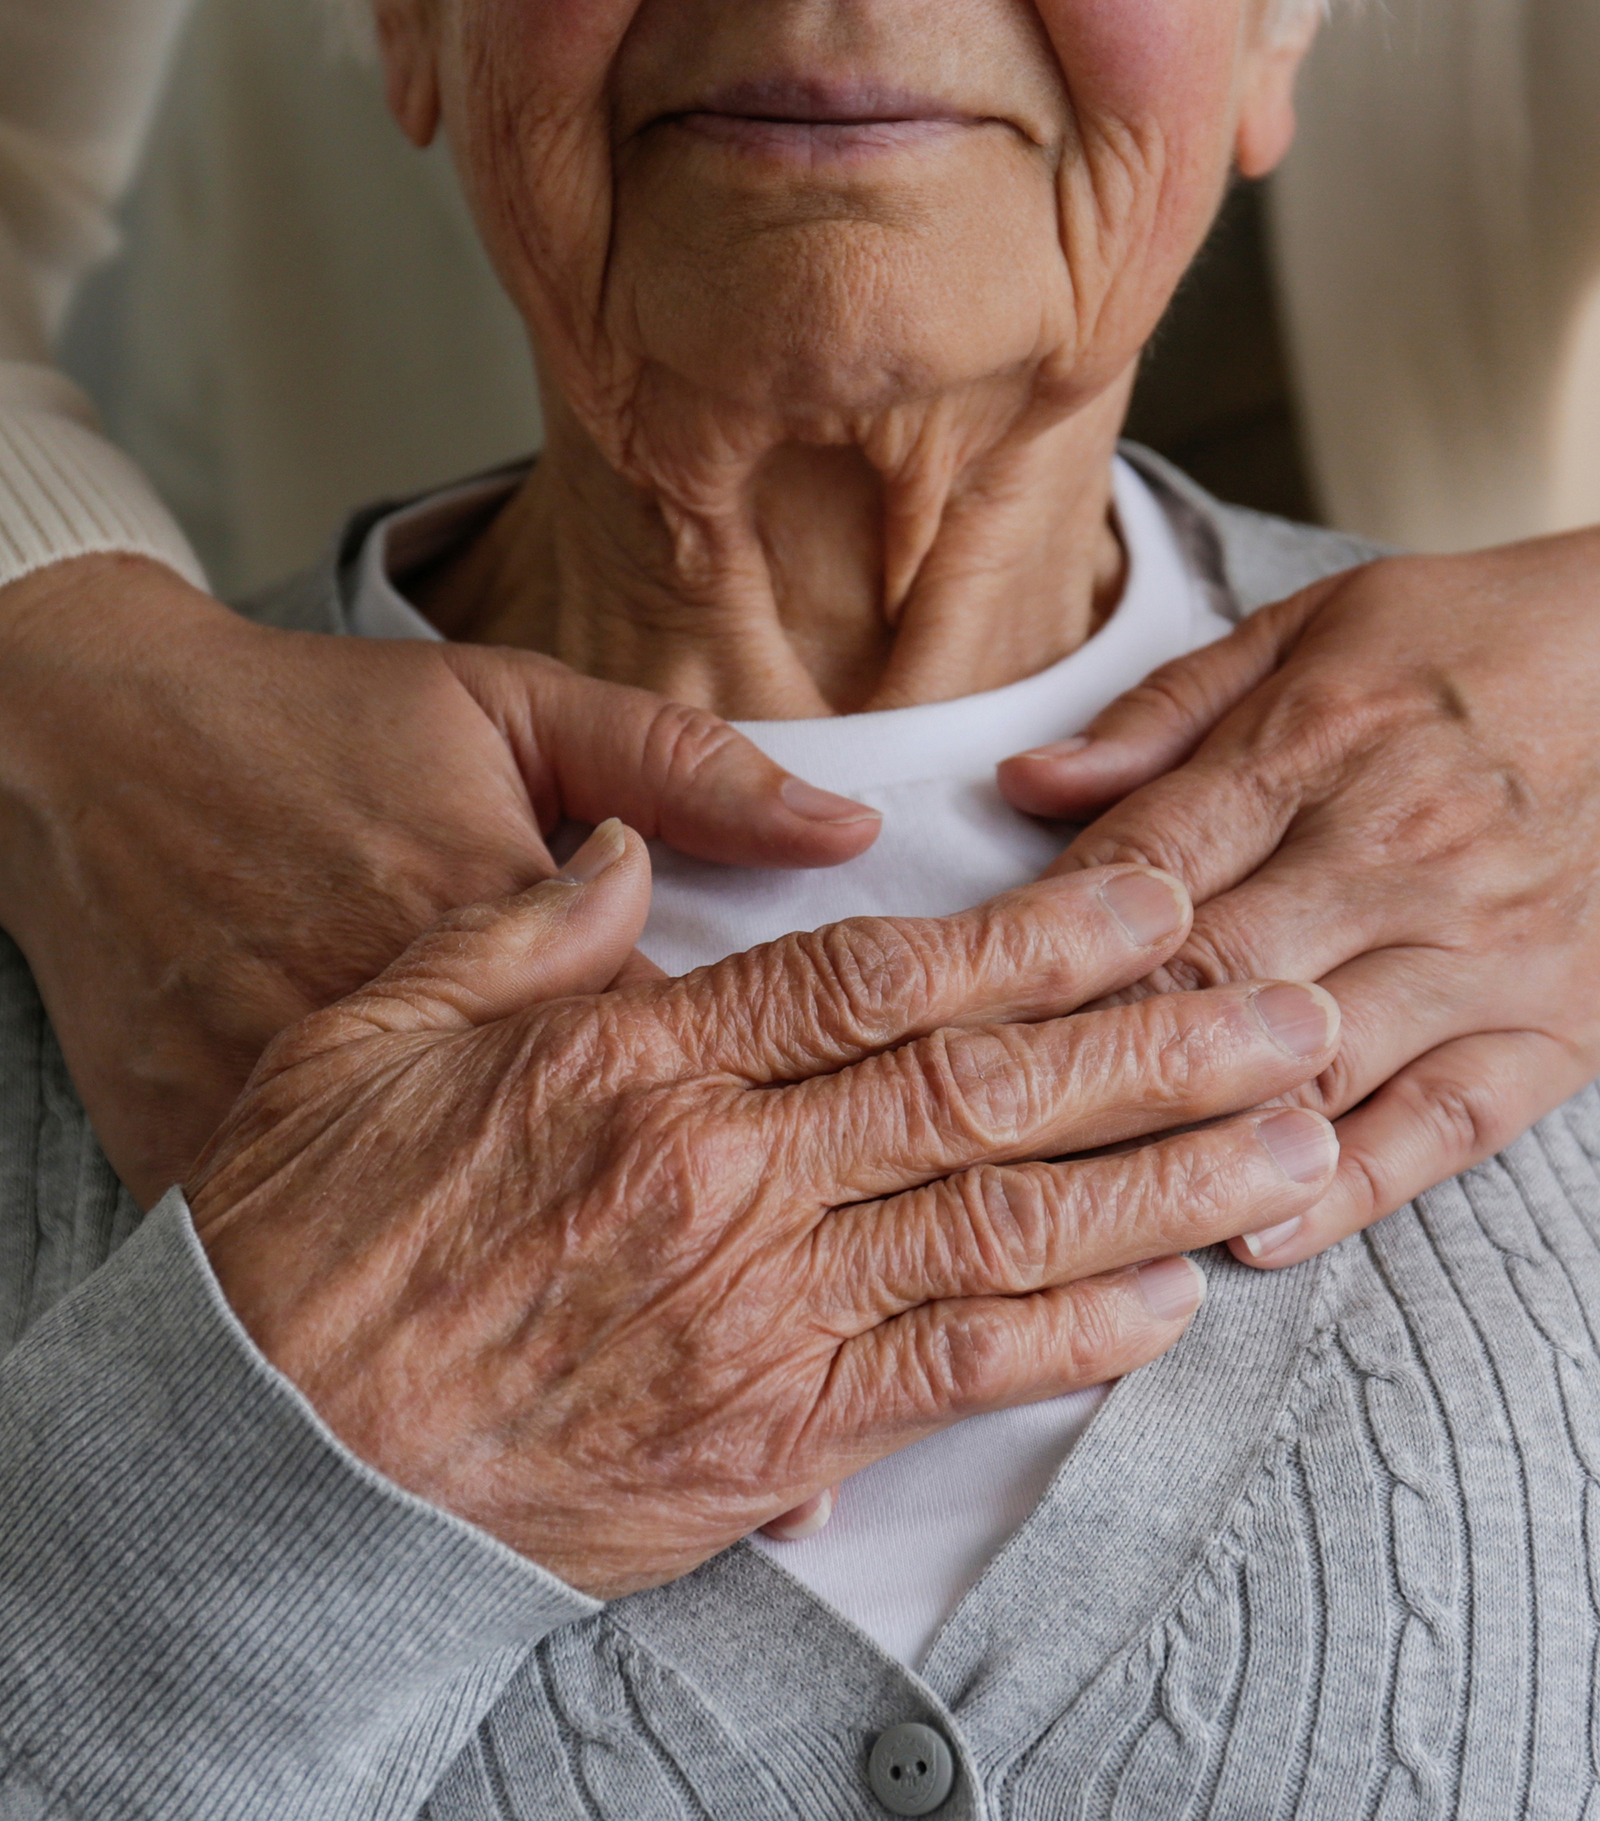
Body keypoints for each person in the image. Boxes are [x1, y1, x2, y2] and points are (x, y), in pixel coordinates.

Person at [5, 1, 1600, 1813]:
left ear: (1275, 37)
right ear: (410, 28)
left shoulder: (1559, 827)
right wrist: (250, 1493)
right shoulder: (53, 842)